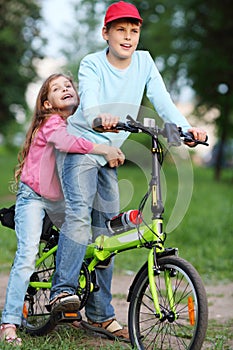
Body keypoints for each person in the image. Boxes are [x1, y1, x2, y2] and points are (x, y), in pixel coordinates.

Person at [50, 1, 207, 342]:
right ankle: (61, 291)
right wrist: (98, 117)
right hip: (83, 146)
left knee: (107, 234)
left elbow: (163, 100)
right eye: (120, 29)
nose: (128, 36)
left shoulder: (145, 62)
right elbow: (89, 99)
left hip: (110, 154)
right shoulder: (92, 63)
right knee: (79, 215)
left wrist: (186, 128)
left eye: (134, 30)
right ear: (105, 33)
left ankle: (101, 315)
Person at [0, 73, 124, 346]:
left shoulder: (75, 124)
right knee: (27, 255)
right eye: (57, 88)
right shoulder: (51, 123)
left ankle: (74, 304)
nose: (66, 88)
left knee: (77, 242)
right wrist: (102, 148)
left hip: (60, 199)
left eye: (69, 85)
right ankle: (9, 322)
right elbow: (67, 143)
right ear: (46, 104)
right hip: (34, 196)